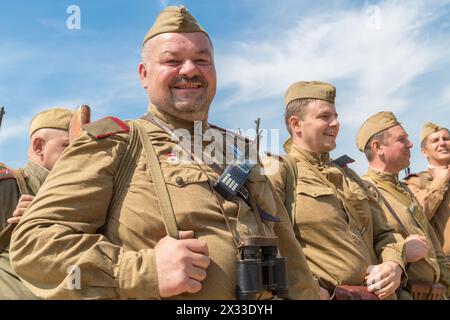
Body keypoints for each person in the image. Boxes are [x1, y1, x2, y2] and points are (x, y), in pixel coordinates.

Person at [9, 6, 319, 300]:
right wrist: (142, 271)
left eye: (202, 60)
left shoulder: (241, 149)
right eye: (172, 61)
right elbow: (34, 244)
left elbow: (290, 258)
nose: (189, 70)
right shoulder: (115, 143)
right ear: (144, 74)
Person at [264, 81, 406, 300]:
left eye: (336, 116)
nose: (336, 123)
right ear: (296, 124)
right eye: (324, 117)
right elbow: (266, 241)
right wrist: (307, 290)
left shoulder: (349, 176)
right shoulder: (280, 170)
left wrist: (393, 264)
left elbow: (386, 233)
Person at [357, 112, 450, 299]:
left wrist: (446, 286)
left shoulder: (403, 190)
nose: (410, 144)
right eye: (402, 139)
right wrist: (402, 254)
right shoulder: (364, 191)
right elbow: (362, 254)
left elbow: (433, 247)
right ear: (378, 147)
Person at [0, 107, 72, 299]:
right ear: (39, 146)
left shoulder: (79, 195)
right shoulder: (7, 187)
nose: (78, 155)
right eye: (68, 146)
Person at [404, 122, 450, 259]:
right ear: (424, 151)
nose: (442, 143)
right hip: (445, 267)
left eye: (446, 139)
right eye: (435, 140)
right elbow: (419, 215)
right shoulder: (415, 181)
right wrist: (441, 181)